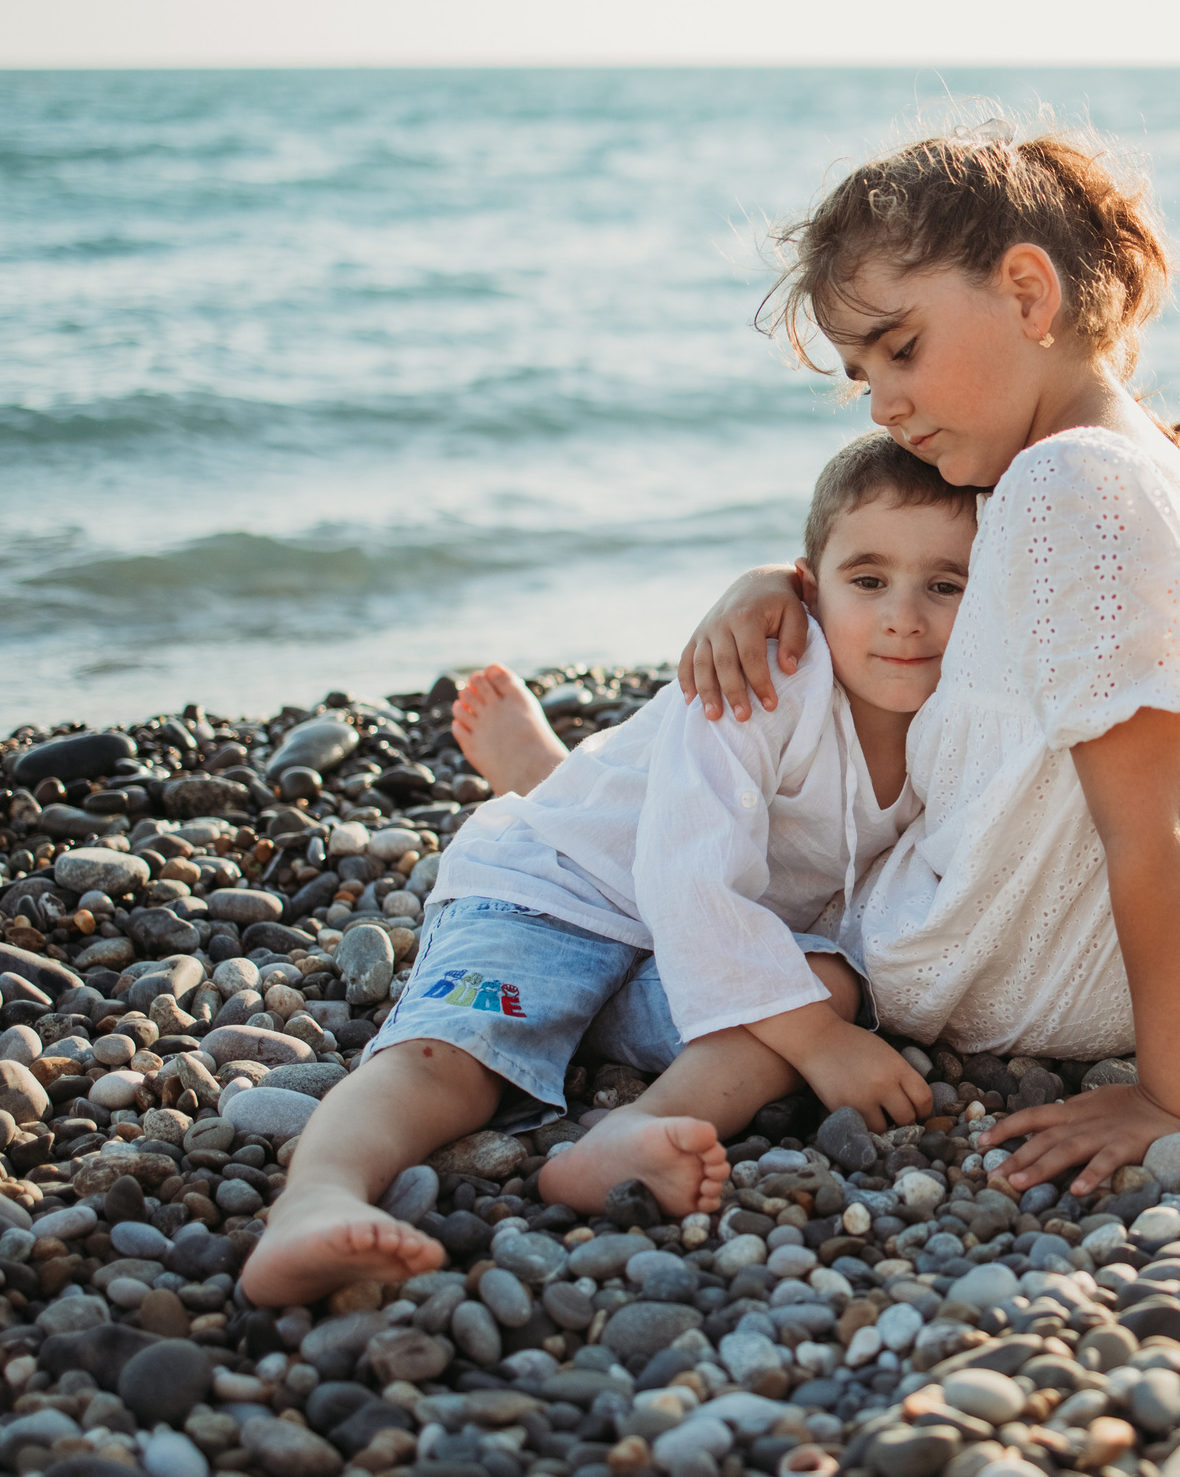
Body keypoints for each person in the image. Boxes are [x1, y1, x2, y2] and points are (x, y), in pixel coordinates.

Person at [677, 124, 1180, 1203]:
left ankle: (567, 819)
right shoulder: (1136, 453)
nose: (880, 403)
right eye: (861, 373)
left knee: (739, 876)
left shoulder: (1068, 493)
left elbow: (1153, 829)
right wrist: (773, 585)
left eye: (902, 348)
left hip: (1050, 970)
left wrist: (1169, 1101)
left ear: (1026, 293)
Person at [237, 433, 969, 1307]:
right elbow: (687, 872)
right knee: (449, 1061)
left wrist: (824, 1018)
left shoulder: (958, 724)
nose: (904, 617)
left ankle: (632, 1131)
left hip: (683, 945)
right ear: (808, 591)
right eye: (869, 580)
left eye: (946, 585)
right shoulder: (764, 676)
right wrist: (817, 1045)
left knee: (823, 981)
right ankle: (316, 1199)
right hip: (559, 889)